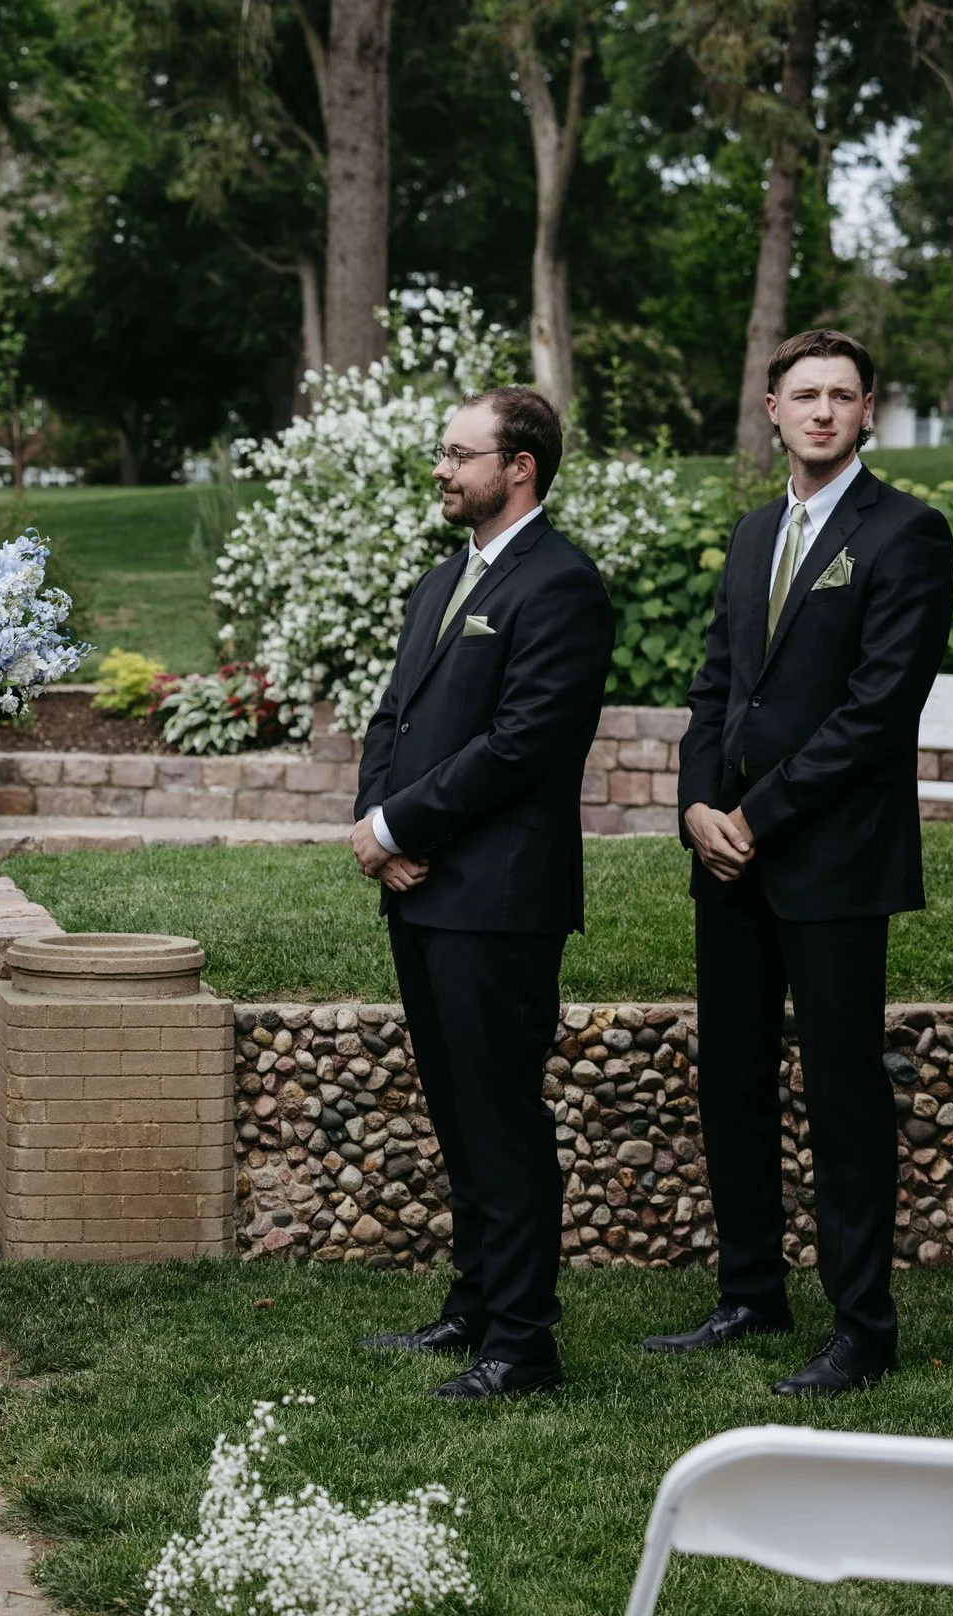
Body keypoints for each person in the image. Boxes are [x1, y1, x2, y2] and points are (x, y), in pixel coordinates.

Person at [654, 328, 953, 1396]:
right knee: (730, 1078)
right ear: (771, 411)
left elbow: (877, 713)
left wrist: (757, 811)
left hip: (830, 861)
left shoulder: (906, 533)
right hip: (727, 861)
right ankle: (748, 1291)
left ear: (867, 410)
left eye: (840, 394)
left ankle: (860, 1326)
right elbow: (714, 689)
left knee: (840, 1090)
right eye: (802, 394)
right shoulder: (750, 536)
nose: (821, 410)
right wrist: (697, 802)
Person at [346, 387, 612, 1401]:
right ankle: (472, 1307)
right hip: (420, 890)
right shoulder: (439, 580)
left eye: (461, 454)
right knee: (456, 1111)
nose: (442, 470)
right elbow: (393, 719)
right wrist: (378, 825)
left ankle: (523, 1342)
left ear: (520, 468)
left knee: (501, 1115)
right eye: (442, 452)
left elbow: (523, 745)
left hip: (500, 899)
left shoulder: (562, 586)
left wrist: (403, 825)